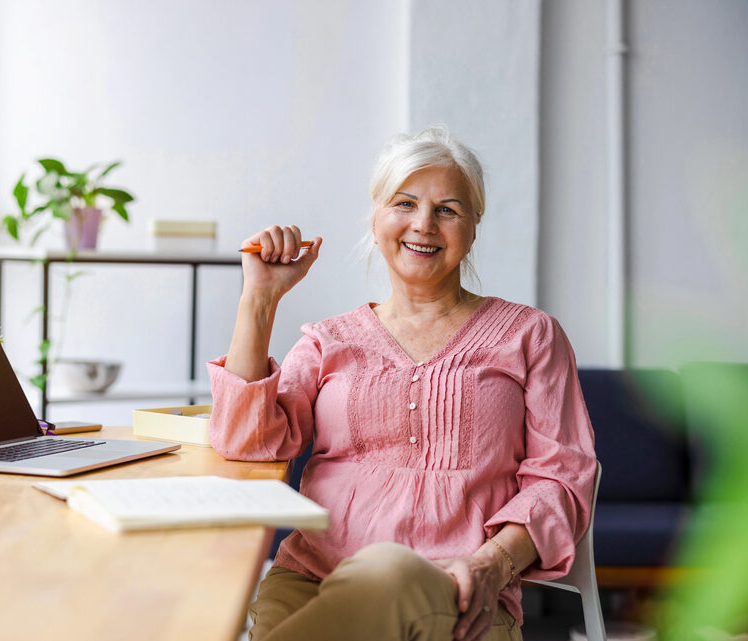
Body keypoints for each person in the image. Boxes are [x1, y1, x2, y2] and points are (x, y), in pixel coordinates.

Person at [206, 127, 598, 641]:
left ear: (473, 228)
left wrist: (490, 566)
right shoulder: (327, 341)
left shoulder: (530, 335)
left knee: (387, 570)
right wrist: (258, 299)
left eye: (447, 210)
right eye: (405, 203)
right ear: (376, 220)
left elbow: (561, 480)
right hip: (311, 583)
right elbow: (244, 442)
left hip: (462, 597)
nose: (423, 224)